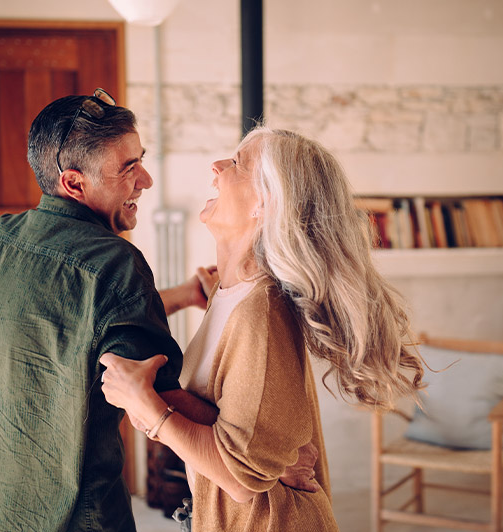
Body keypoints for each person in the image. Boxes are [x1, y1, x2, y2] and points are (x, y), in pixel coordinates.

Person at [100, 126, 425, 531]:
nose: (217, 167)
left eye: (237, 164)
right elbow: (233, 424)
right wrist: (273, 456)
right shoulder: (230, 291)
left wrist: (147, 406)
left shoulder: (260, 311)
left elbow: (240, 478)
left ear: (266, 203)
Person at [0, 89, 219, 532]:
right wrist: (260, 451)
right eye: (129, 167)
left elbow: (75, 324)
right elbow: (156, 400)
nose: (146, 180)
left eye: (141, 159)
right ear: (74, 183)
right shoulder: (116, 263)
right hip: (74, 517)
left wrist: (183, 295)